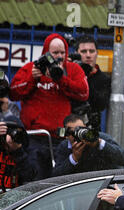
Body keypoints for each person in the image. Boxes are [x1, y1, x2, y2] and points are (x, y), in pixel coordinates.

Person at [9, 33, 89, 180]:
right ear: (47, 53)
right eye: (55, 53)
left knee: (59, 181)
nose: (59, 57)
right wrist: (32, 79)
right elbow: (13, 93)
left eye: (62, 53)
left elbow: (84, 93)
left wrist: (61, 80)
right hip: (35, 137)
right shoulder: (32, 68)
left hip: (62, 137)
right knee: (34, 180)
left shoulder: (72, 69)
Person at [52, 114, 124, 177]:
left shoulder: (100, 137)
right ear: (67, 135)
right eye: (73, 132)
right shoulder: (64, 146)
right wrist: (74, 158)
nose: (79, 135)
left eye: (81, 129)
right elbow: (56, 176)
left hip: (105, 184)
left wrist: (99, 144)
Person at [71, 35, 111, 130]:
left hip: (92, 128)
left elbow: (100, 104)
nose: (88, 55)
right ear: (76, 53)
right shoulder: (69, 74)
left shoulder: (103, 79)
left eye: (92, 51)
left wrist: (86, 76)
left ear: (97, 53)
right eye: (83, 51)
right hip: (70, 125)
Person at [0, 116, 37, 190]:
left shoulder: (28, 151)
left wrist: (18, 151)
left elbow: (29, 176)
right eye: (11, 132)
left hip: (16, 196)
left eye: (18, 133)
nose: (14, 136)